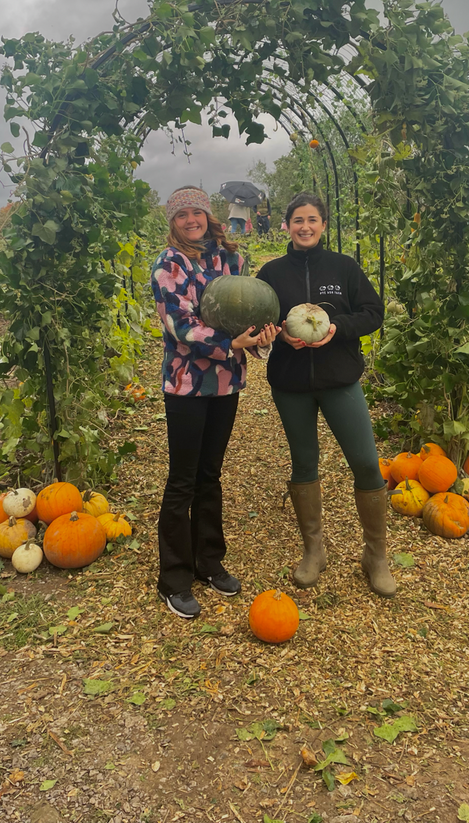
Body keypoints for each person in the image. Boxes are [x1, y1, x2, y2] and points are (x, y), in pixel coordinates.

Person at [257, 193, 395, 597]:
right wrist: (279, 334)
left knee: (367, 464)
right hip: (291, 384)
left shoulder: (344, 267)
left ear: (323, 224)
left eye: (312, 220)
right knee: (304, 464)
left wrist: (337, 328)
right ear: (286, 225)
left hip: (340, 381)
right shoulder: (271, 273)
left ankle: (377, 555)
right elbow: (258, 324)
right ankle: (314, 550)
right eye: (297, 220)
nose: (305, 226)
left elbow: (373, 312)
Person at [151, 186, 278, 619]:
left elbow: (248, 311)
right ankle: (174, 578)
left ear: (208, 215)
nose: (191, 219)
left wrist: (260, 338)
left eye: (197, 212)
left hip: (225, 385)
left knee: (210, 474)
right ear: (173, 221)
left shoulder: (231, 259)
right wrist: (230, 343)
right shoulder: (169, 264)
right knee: (182, 479)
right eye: (182, 214)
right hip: (186, 385)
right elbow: (179, 327)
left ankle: (208, 561)